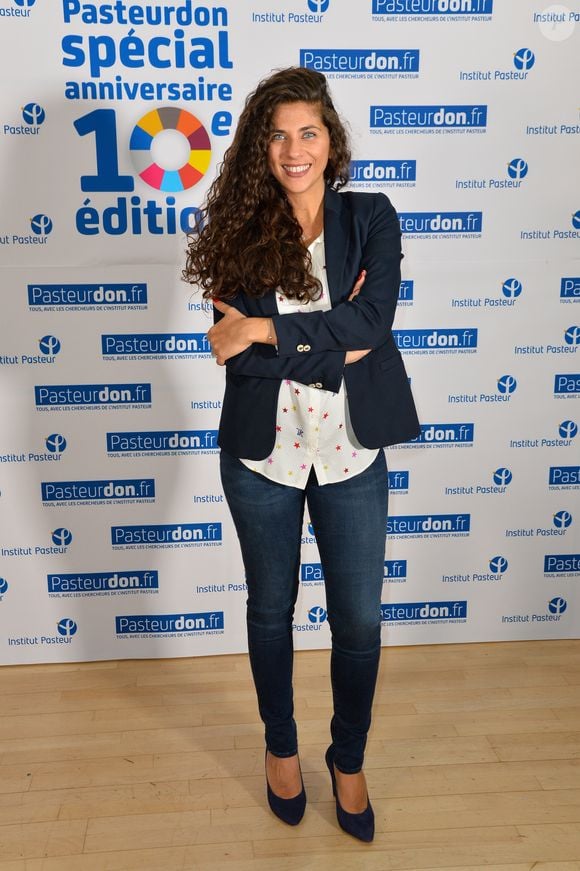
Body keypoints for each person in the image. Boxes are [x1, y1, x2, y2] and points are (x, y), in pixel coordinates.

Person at [184, 66, 419, 842]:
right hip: (262, 458)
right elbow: (236, 352)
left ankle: (346, 758)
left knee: (358, 621)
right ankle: (280, 744)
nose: (294, 149)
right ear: (261, 145)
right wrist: (320, 337)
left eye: (308, 132)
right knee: (268, 610)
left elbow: (373, 325)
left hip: (351, 454)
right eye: (278, 134)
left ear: (331, 140)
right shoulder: (235, 230)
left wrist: (267, 329)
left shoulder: (372, 217)